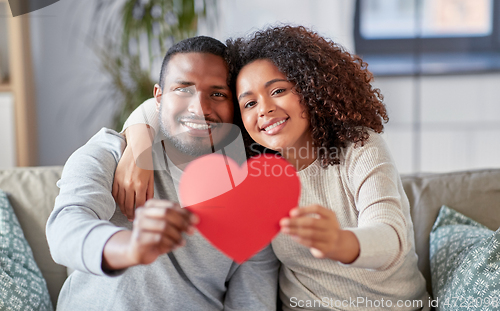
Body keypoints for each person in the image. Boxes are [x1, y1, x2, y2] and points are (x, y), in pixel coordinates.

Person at [116, 26, 429, 310]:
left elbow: (391, 239)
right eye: (249, 103)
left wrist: (339, 242)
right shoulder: (252, 165)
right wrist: (138, 145)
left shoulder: (360, 147)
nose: (264, 108)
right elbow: (161, 105)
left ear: (310, 88)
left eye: (278, 90)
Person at [46, 36, 280, 311]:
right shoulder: (110, 153)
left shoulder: (253, 199)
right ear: (158, 97)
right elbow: (66, 228)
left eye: (217, 94)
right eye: (183, 90)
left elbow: (252, 302)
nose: (200, 108)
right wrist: (129, 246)